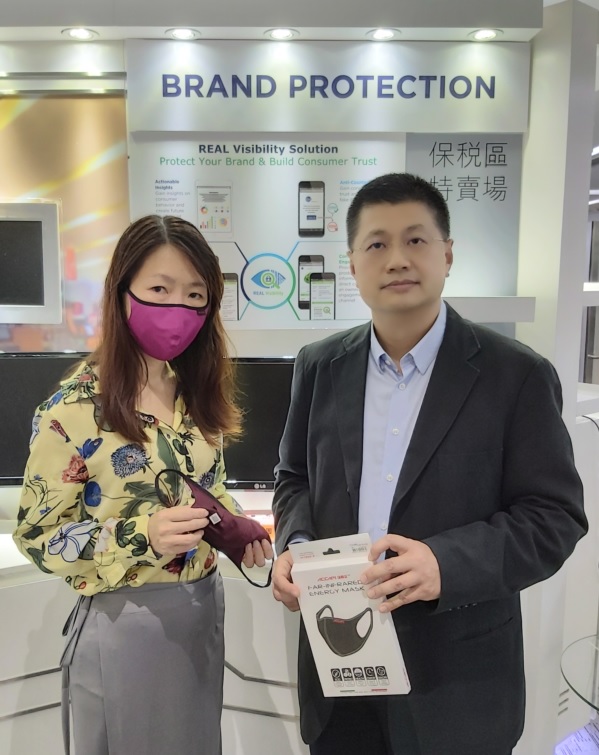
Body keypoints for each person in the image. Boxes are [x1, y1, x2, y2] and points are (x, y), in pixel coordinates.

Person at [271, 173, 587, 755]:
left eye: (415, 240)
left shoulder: (515, 375)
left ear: (447, 255)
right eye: (377, 243)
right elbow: (294, 478)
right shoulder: (318, 366)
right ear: (353, 265)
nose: (397, 258)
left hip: (457, 688)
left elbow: (554, 518)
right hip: (340, 672)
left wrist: (445, 563)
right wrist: (296, 544)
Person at [13, 215, 273, 755]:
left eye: (195, 295)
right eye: (159, 289)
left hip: (202, 614)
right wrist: (142, 534)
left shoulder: (194, 396)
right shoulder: (72, 411)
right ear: (122, 291)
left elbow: (206, 488)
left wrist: (232, 527)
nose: (178, 308)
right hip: (127, 623)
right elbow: (38, 537)